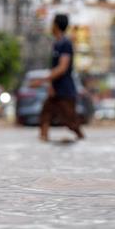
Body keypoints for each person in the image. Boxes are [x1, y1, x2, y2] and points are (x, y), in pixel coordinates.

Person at [40, 13, 85, 141]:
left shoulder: (65, 44)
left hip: (65, 90)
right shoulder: (56, 44)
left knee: (70, 121)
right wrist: (50, 85)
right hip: (55, 89)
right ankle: (43, 138)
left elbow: (62, 67)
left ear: (56, 25)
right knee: (45, 114)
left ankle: (80, 137)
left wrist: (44, 79)